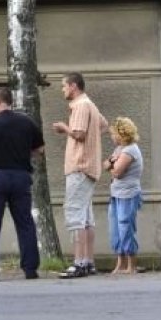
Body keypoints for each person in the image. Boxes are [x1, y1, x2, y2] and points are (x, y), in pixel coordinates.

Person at [52, 72, 107, 278]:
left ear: (74, 86)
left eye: (64, 86)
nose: (63, 90)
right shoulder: (90, 104)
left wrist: (65, 128)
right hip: (89, 166)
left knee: (74, 213)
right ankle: (89, 261)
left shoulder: (80, 105)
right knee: (86, 216)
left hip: (80, 165)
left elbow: (79, 134)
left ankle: (79, 262)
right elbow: (103, 125)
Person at [0, 87, 44, 281]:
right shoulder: (26, 122)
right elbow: (40, 150)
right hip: (21, 177)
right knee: (25, 223)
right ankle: (30, 269)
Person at [103, 117, 143, 274]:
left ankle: (131, 264)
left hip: (128, 194)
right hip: (116, 193)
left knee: (125, 226)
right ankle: (120, 263)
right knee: (115, 228)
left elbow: (117, 172)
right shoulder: (119, 149)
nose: (112, 137)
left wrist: (109, 165)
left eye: (114, 134)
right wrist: (110, 164)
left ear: (122, 134)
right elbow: (110, 164)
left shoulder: (130, 150)